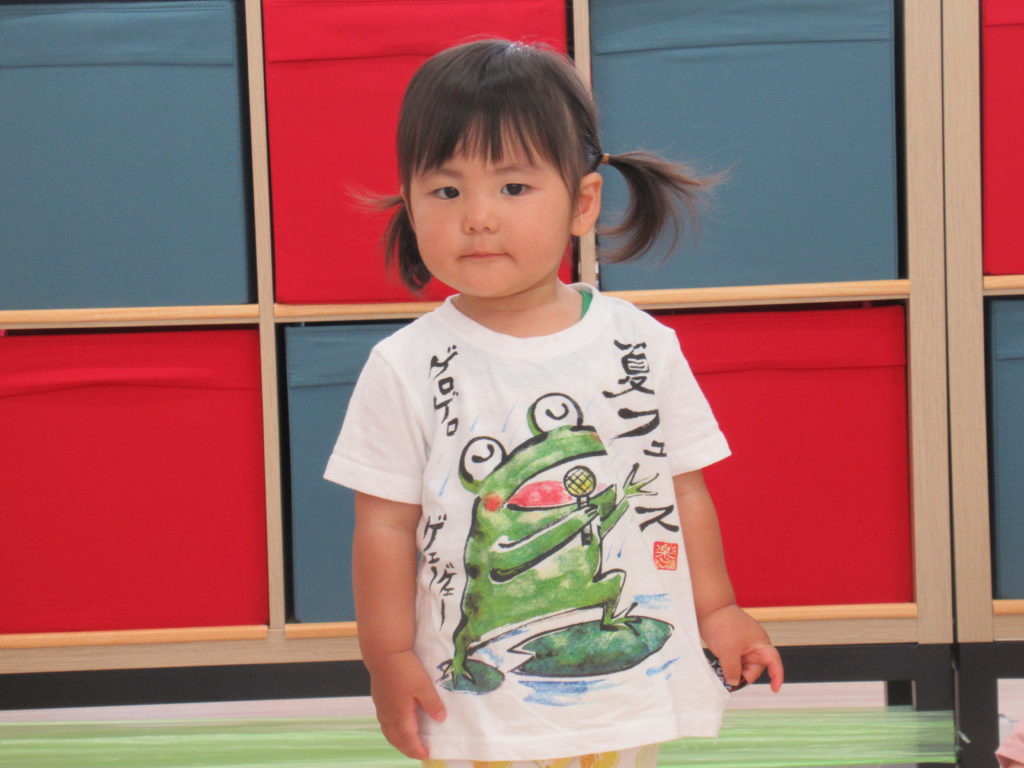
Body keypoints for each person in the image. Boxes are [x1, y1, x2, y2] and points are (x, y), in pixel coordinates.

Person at [324, 39, 784, 768]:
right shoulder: (406, 365)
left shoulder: (640, 346)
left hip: (623, 701)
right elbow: (383, 525)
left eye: (513, 187)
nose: (478, 217)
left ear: (583, 202)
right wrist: (387, 657)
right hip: (475, 706)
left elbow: (683, 491)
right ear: (409, 204)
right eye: (446, 192)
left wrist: (717, 609)